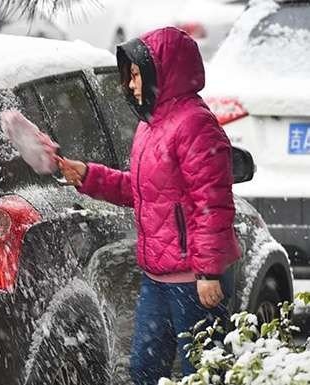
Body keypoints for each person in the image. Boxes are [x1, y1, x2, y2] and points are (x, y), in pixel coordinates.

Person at [57, 27, 241, 384]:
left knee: (203, 374)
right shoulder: (150, 126)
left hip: (193, 279)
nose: (130, 85)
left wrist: (208, 272)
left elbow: (213, 203)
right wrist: (87, 176)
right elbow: (142, 191)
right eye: (129, 76)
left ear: (163, 71)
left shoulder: (195, 125)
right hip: (157, 277)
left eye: (137, 74)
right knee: (145, 371)